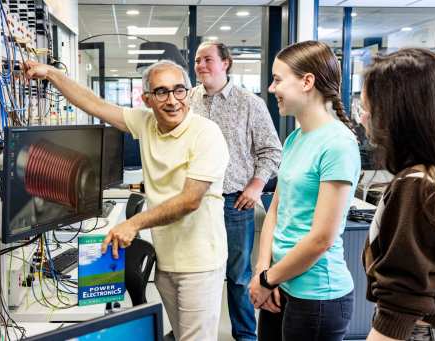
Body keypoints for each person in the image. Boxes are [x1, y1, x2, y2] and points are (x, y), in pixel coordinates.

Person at [24, 59, 230, 341]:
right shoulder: (146, 123)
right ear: (146, 98)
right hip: (168, 260)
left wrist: (133, 223)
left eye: (179, 90)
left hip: (200, 263)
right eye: (161, 92)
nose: (172, 101)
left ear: (188, 93)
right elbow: (94, 104)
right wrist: (52, 74)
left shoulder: (206, 134)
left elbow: (189, 200)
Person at [359, 48, 435, 341]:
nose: (363, 119)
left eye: (369, 109)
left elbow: (401, 303)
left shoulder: (417, 187)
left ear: (399, 116)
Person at [248, 40, 360, 341]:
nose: (272, 89)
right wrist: (263, 270)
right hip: (280, 282)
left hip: (317, 296)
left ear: (307, 81)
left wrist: (268, 279)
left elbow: (321, 239)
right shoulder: (295, 138)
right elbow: (276, 209)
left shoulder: (338, 145)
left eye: (278, 79)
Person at [189, 41, 282, 341]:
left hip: (234, 203)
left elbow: (272, 151)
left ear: (226, 63)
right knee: (198, 273)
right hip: (196, 201)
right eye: (197, 60)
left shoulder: (249, 103)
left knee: (238, 278)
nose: (201, 65)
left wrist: (256, 186)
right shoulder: (189, 100)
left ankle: (245, 336)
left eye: (208, 60)